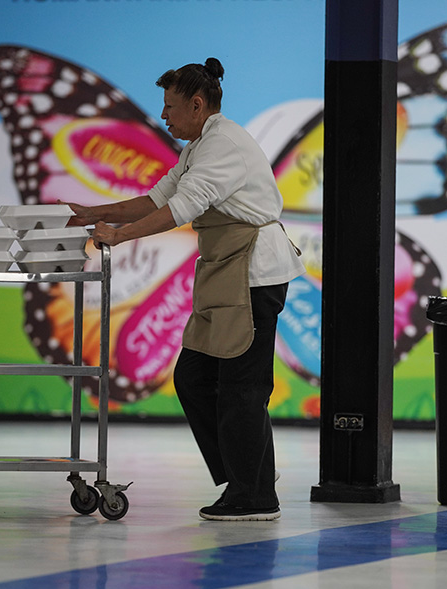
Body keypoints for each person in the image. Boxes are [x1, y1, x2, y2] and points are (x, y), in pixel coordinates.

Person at [64, 57, 304, 521]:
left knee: (242, 388)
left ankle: (254, 495)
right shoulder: (199, 145)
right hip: (227, 273)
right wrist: (98, 213)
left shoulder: (223, 145)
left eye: (170, 106)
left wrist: (119, 236)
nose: (163, 116)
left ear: (197, 104)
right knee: (195, 379)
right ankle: (249, 473)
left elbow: (182, 209)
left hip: (253, 274)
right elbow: (159, 198)